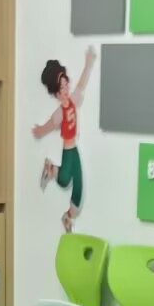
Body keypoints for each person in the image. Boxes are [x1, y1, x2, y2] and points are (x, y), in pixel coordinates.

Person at [33, 46, 96, 233]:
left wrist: (88, 64)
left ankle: (68, 216)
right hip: (68, 150)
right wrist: (39, 130)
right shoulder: (59, 112)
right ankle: (51, 169)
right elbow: (50, 125)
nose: (66, 89)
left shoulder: (74, 100)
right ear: (56, 93)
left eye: (66, 84)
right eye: (61, 88)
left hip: (74, 149)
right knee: (64, 180)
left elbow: (82, 85)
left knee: (78, 185)